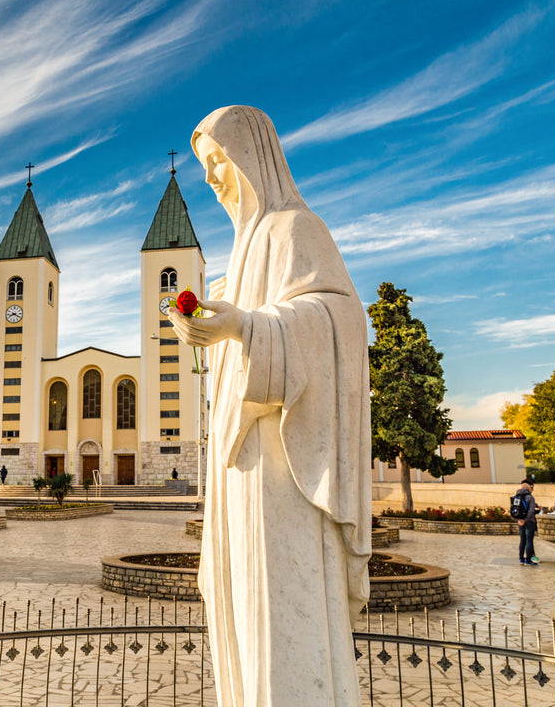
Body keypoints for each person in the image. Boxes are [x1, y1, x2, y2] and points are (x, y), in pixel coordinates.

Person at [168, 106, 370, 706]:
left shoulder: (295, 230)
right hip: (239, 464)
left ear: (251, 158)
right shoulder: (242, 250)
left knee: (280, 603)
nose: (210, 179)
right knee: (244, 605)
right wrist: (216, 327)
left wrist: (247, 327)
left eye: (216, 162)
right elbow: (246, 333)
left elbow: (341, 320)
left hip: (282, 463)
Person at [514, 478, 539, 565]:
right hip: (529, 522)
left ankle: (521, 559)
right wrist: (526, 520)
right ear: (529, 488)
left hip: (520, 522)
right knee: (529, 541)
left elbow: (514, 510)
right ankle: (528, 559)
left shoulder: (516, 497)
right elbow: (531, 511)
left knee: (522, 540)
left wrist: (519, 520)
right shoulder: (530, 497)